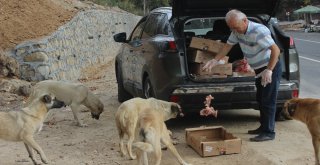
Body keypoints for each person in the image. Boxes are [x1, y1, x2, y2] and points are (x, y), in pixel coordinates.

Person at [202, 9, 282, 142]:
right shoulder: (236, 30)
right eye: (232, 28)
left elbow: (276, 50)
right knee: (261, 99)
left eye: (236, 27)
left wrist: (269, 70)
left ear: (245, 21)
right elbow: (227, 46)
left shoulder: (259, 31)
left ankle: (269, 132)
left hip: (270, 67)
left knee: (268, 100)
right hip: (258, 69)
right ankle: (263, 127)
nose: (235, 30)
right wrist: (215, 60)